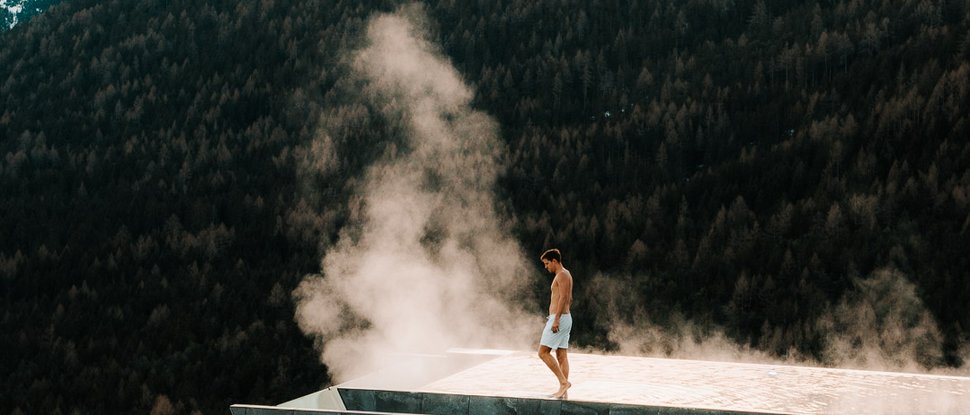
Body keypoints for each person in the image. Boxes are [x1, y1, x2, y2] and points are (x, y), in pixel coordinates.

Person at [537, 248, 573, 399]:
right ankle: (563, 388)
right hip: (564, 318)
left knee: (543, 352)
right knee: (561, 355)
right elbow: (567, 299)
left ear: (554, 261)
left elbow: (564, 298)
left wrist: (557, 318)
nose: (546, 267)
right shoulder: (565, 274)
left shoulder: (562, 274)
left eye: (546, 263)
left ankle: (563, 383)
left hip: (559, 318)